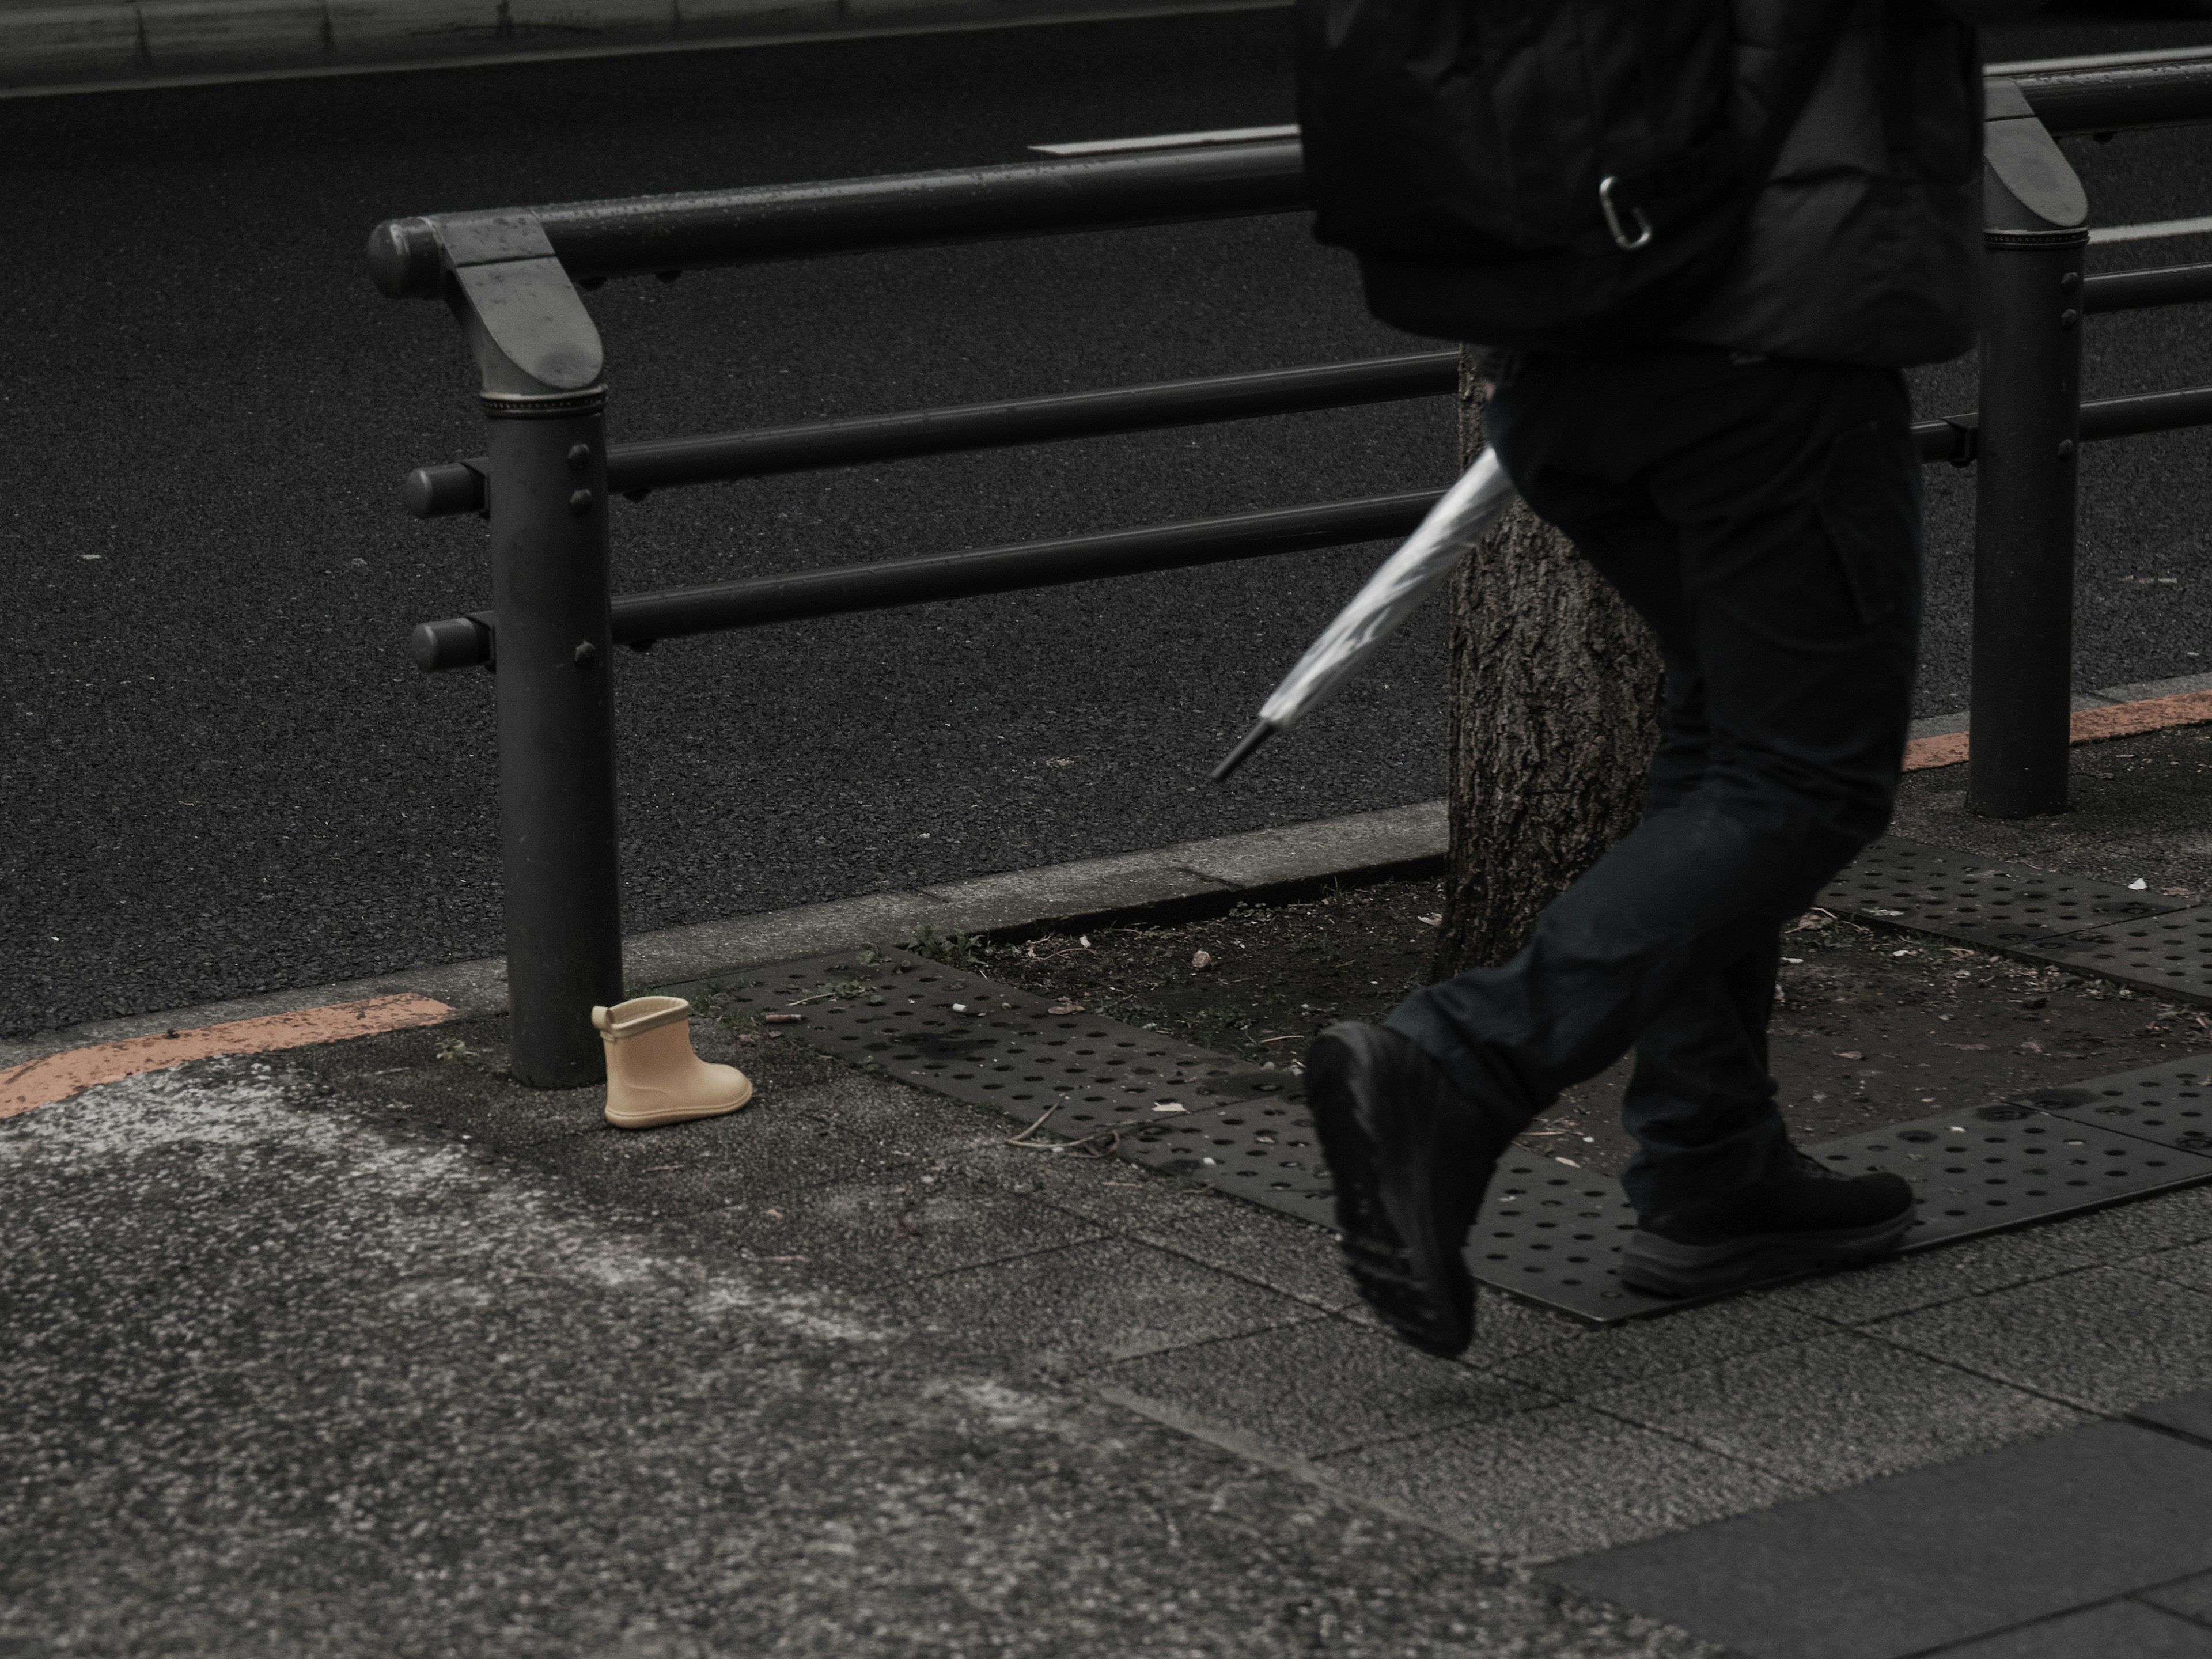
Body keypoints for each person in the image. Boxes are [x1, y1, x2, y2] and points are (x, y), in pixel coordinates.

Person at [1306, 0, 2068, 1359]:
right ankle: (1458, 1063)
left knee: (1727, 739)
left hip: (1576, 340)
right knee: (1806, 779)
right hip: (1764, 351)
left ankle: (1713, 1168)